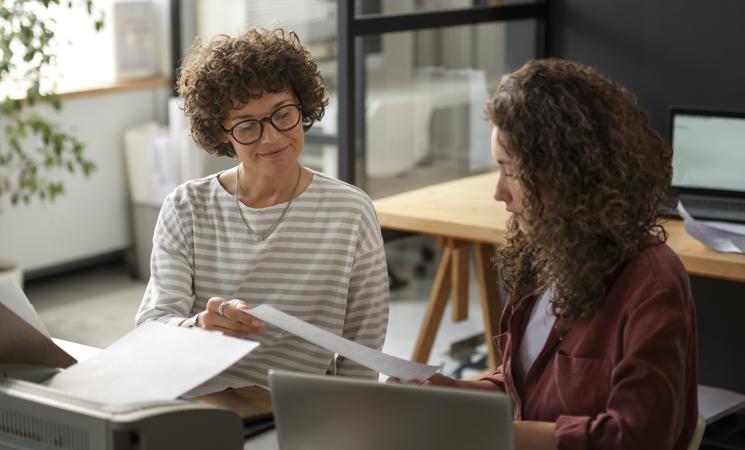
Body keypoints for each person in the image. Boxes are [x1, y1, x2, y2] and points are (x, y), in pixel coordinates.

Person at [395, 59, 698, 450]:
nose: (498, 193)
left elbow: (640, 437)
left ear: (567, 173)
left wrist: (489, 435)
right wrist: (454, 393)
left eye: (511, 171)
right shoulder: (547, 255)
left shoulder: (651, 284)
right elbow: (525, 389)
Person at [135, 28, 389, 386]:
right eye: (247, 126)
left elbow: (362, 352)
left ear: (303, 105)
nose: (270, 137)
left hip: (300, 407)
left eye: (282, 114)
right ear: (222, 131)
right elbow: (151, 328)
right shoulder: (186, 208)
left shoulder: (350, 211)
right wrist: (197, 325)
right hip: (202, 400)